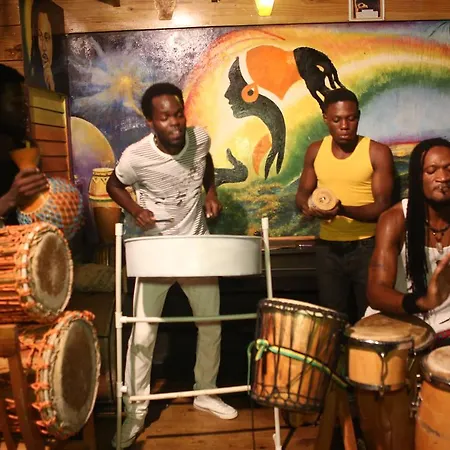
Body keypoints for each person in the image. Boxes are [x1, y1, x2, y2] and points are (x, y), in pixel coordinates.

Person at [107, 82, 238, 448]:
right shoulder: (135, 157)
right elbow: (114, 186)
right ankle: (135, 411)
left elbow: (205, 162)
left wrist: (210, 191)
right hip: (156, 252)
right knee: (143, 334)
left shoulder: (200, 139)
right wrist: (136, 210)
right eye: (165, 117)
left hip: (196, 247)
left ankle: (206, 393)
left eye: (179, 114)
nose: (175, 122)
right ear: (151, 122)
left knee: (210, 325)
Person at [296, 88, 394, 322]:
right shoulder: (315, 151)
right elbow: (301, 194)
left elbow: (382, 206)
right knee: (332, 320)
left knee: (371, 318)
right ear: (326, 119)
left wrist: (342, 210)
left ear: (358, 116)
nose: (344, 126)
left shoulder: (377, 152)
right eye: (337, 119)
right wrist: (309, 207)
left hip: (368, 248)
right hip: (327, 250)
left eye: (351, 119)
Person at [366, 138, 450, 337]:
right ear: (417, 177)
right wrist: (422, 302)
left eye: (449, 169)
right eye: (431, 171)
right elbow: (376, 292)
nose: (443, 177)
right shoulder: (395, 219)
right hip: (400, 322)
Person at [0, 64, 48, 226]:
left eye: (25, 104)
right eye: (16, 104)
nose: (25, 111)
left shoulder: (22, 147)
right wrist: (10, 199)